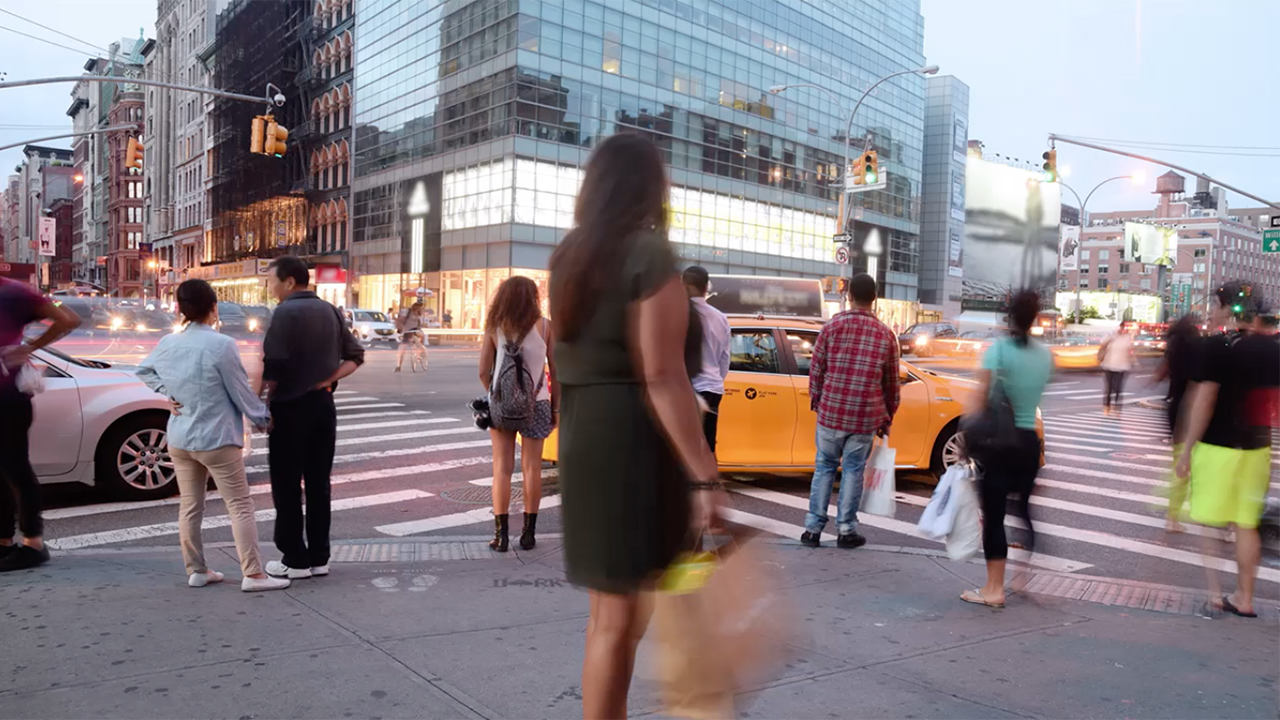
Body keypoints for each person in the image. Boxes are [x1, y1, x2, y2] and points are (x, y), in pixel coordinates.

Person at [549, 133, 722, 720]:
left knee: (610, 617)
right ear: (650, 188)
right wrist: (704, 475)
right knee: (623, 621)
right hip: (634, 445)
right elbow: (663, 375)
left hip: (585, 440)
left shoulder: (571, 254)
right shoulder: (648, 255)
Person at [136, 280, 290, 592]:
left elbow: (143, 371)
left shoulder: (168, 343)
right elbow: (239, 390)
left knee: (190, 506)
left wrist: (169, 394)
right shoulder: (221, 345)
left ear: (180, 309)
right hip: (217, 437)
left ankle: (196, 570)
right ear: (213, 307)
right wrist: (263, 419)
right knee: (239, 505)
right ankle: (254, 574)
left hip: (180, 437)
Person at [1176, 283, 1279, 618]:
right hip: (1257, 447)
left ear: (1225, 307)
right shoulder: (1273, 349)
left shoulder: (1216, 346)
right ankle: (1245, 597)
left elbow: (1204, 400)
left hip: (1217, 448)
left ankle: (1216, 593)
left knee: (1209, 522)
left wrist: (1187, 449)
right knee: (1247, 523)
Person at [260, 256, 365, 580]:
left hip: (290, 410)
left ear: (289, 282)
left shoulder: (284, 313)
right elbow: (356, 357)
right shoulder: (331, 310)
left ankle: (295, 558)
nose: (270, 287)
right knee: (319, 483)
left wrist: (262, 404)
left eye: (272, 281)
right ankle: (319, 557)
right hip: (322, 407)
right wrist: (326, 381)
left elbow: (273, 368)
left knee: (287, 485)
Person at [960, 290, 1053, 608]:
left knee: (995, 515)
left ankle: (993, 588)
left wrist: (966, 432)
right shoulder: (1044, 355)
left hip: (999, 444)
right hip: (1028, 443)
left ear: (1008, 317)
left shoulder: (997, 351)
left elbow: (980, 397)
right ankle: (1021, 576)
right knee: (1025, 511)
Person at [801, 272, 899, 550]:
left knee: (824, 468)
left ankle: (813, 530)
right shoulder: (885, 335)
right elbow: (891, 383)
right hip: (864, 417)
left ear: (849, 296)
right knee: (854, 471)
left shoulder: (832, 327)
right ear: (875, 299)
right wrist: (887, 416)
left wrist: (818, 402)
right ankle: (846, 530)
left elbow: (816, 370)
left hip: (831, 414)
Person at [0, 279, 80, 572]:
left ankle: (33, 543)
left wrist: (29, 348)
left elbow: (68, 318)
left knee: (15, 468)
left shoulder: (14, 293)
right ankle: (4, 541)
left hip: (7, 397)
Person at [479, 276, 557, 552]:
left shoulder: (494, 326)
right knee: (531, 468)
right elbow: (556, 374)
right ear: (533, 298)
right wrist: (555, 407)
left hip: (501, 406)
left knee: (501, 468)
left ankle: (500, 537)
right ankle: (528, 535)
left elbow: (482, 371)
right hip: (539, 403)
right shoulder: (546, 326)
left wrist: (497, 395)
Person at [1152, 314, 1201, 532]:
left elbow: (1158, 376)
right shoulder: (1200, 351)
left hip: (1174, 408)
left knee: (1179, 462)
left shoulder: (1172, 351)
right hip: (1192, 409)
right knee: (1193, 463)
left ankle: (1172, 517)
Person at [682, 265, 730, 452]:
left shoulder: (679, 314)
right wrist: (716, 378)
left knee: (684, 448)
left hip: (687, 388)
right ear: (705, 288)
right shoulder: (720, 318)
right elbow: (724, 359)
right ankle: (707, 481)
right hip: (713, 389)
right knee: (707, 446)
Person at [1098, 320, 1135, 415]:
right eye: (1122, 327)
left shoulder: (1127, 337)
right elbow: (1102, 345)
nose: (1124, 329)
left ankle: (1117, 408)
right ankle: (1107, 407)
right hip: (1108, 365)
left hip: (1122, 366)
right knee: (1109, 388)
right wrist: (1111, 338)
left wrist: (1133, 360)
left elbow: (1129, 350)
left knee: (1118, 388)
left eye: (1125, 328)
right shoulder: (1110, 335)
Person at [395, 302, 427, 373]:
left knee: (421, 337)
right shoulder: (408, 312)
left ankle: (420, 350)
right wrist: (400, 328)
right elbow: (400, 320)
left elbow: (418, 323)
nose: (422, 310)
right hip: (407, 331)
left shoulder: (418, 314)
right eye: (421, 308)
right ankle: (398, 366)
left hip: (415, 330)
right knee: (402, 348)